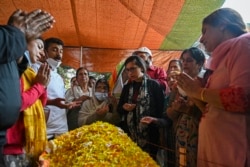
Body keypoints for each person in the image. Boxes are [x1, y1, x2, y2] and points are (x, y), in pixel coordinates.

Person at [176, 8, 250, 167]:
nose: (201, 39)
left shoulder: (243, 44)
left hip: (232, 150)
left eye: (205, 31)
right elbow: (210, 110)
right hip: (217, 147)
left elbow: (243, 98)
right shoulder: (223, 58)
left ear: (223, 25)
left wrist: (198, 91)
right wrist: (193, 93)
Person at [0, 9, 54, 166]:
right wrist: (39, 86)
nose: (41, 53)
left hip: (24, 144)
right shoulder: (14, 66)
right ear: (25, 40)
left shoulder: (28, 70)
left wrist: (41, 86)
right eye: (38, 46)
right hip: (10, 147)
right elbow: (18, 102)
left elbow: (39, 104)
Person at [117, 55, 165, 160]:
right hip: (130, 135)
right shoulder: (127, 88)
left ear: (142, 68)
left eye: (133, 69)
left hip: (150, 135)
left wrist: (156, 121)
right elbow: (119, 109)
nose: (130, 73)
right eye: (127, 70)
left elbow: (161, 110)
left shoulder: (154, 85)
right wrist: (125, 108)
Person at [32, 37, 80, 140]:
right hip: (44, 127)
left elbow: (59, 99)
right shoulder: (35, 69)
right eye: (54, 50)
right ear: (45, 52)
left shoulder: (58, 77)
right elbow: (31, 97)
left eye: (61, 51)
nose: (59, 54)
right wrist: (51, 102)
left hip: (61, 127)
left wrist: (67, 104)